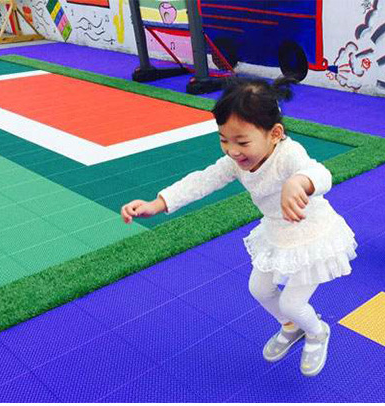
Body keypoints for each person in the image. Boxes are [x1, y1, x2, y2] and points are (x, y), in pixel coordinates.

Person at [120, 77, 356, 377]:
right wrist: (158, 203)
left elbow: (320, 173)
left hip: (312, 234)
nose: (232, 150)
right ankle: (291, 327)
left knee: (292, 302)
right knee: (259, 289)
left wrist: (299, 181)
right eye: (224, 139)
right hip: (277, 233)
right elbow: (203, 180)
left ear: (275, 134)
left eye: (242, 142)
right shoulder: (235, 162)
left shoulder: (288, 154)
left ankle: (317, 332)